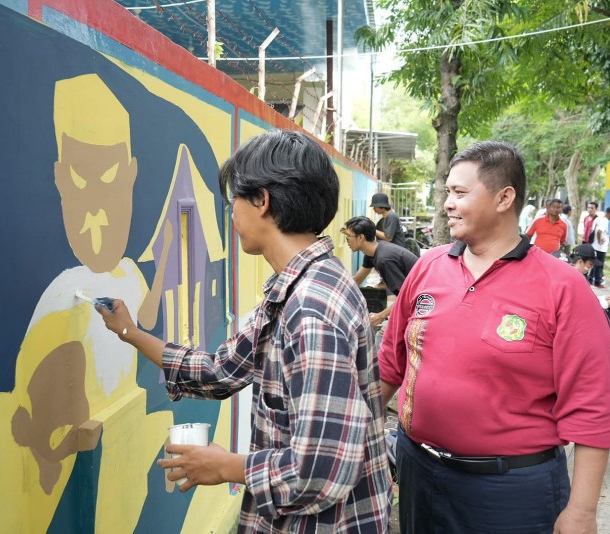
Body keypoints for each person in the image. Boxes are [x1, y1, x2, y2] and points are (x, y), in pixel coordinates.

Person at [97, 130, 391, 532]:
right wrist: (129, 331)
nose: (230, 213)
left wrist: (226, 466)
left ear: (262, 201)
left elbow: (321, 470)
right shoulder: (296, 288)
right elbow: (220, 369)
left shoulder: (310, 309)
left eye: (232, 200)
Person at [378, 141, 610, 533]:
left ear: (504, 197)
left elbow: (592, 405)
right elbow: (391, 364)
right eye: (447, 194)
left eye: (459, 193)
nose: (448, 205)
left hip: (511, 492)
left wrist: (582, 511)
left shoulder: (563, 288)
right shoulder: (428, 268)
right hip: (418, 471)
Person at [343, 216, 418, 327]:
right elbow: (355, 282)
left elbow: (406, 298)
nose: (347, 240)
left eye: (348, 236)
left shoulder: (384, 259)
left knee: (384, 336)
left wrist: (380, 316)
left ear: (361, 238)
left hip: (424, 301)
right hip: (413, 299)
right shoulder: (372, 253)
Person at [570, 244, 610, 353]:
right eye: (590, 264)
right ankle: (602, 360)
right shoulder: (572, 276)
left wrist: (601, 298)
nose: (591, 267)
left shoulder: (580, 275)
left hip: (591, 313)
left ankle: (604, 356)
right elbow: (579, 305)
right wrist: (604, 304)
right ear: (580, 261)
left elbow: (586, 297)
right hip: (581, 318)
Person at [588, 205, 610, 289]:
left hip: (595, 245)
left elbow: (593, 230)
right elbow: (599, 231)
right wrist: (600, 240)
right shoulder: (605, 220)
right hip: (600, 247)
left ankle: (590, 279)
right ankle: (597, 281)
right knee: (599, 265)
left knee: (595, 264)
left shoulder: (597, 219)